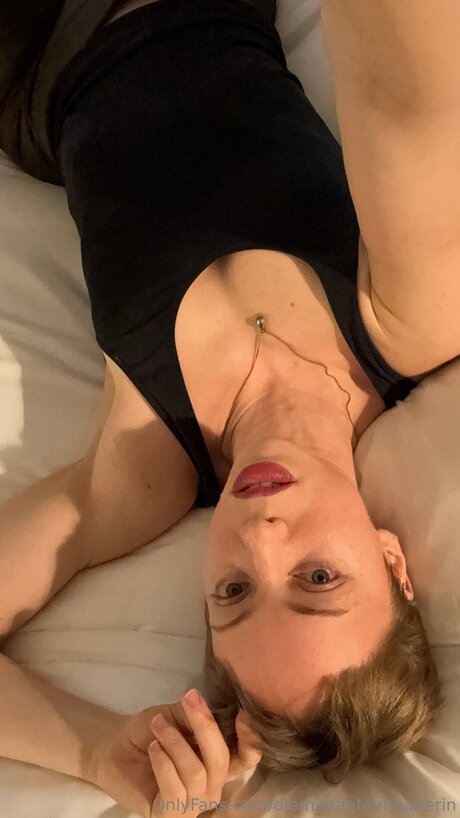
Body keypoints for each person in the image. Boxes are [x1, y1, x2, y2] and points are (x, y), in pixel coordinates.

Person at [0, 0, 457, 814]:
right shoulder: (404, 324)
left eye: (234, 593)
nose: (260, 537)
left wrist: (94, 750)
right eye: (318, 578)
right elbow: (409, 103)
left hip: (38, 52)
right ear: (393, 563)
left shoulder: (147, 467)